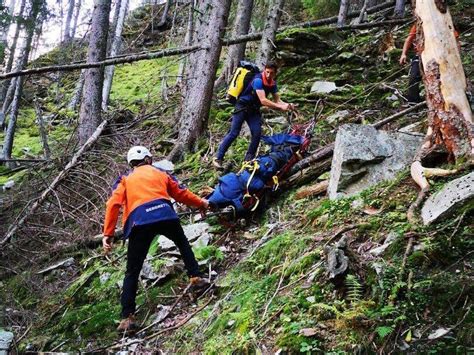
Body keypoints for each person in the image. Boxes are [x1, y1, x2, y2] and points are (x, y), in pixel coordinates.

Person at [102, 146, 210, 332]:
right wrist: (202, 203)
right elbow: (180, 193)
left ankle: (127, 317)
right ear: (149, 159)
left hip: (140, 221)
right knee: (183, 244)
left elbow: (113, 204)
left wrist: (108, 234)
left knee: (132, 271)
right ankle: (196, 277)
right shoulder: (160, 172)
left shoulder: (125, 179)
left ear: (131, 163)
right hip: (165, 214)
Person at [213, 61, 294, 169]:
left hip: (253, 110)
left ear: (275, 73)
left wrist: (288, 105)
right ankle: (218, 157)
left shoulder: (273, 84)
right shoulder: (258, 80)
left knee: (257, 133)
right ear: (264, 70)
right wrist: (280, 107)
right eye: (267, 72)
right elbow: (264, 100)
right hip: (242, 107)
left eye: (271, 73)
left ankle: (248, 160)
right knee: (234, 133)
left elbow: (278, 100)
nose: (268, 75)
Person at [400, 24, 459, 103]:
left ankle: (450, 96)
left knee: (445, 75)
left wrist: (455, 54)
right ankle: (413, 101)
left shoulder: (443, 22)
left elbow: (454, 38)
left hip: (440, 54)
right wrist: (403, 54)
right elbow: (409, 38)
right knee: (414, 77)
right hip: (421, 54)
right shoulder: (419, 24)